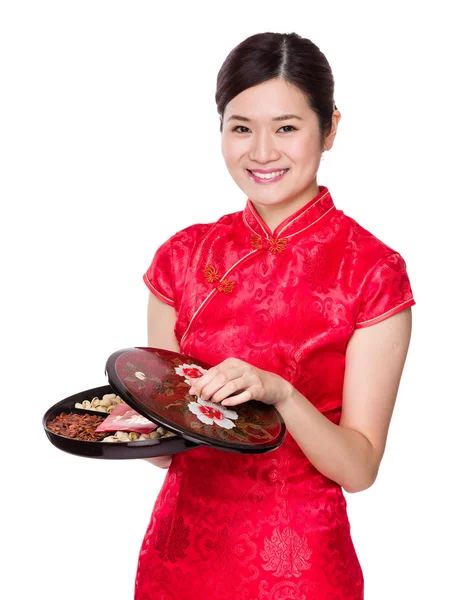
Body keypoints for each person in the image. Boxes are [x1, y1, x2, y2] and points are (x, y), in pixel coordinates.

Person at [135, 31, 415, 600]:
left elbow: (359, 470)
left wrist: (282, 394)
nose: (261, 152)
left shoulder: (372, 272)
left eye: (286, 127)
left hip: (302, 569)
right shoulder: (181, 259)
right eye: (241, 127)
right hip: (181, 558)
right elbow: (169, 454)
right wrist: (130, 423)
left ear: (330, 127)